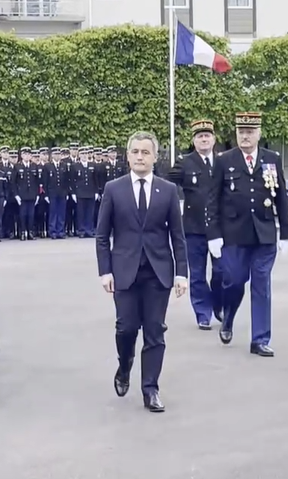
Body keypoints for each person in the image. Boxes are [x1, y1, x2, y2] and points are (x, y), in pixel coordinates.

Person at [95, 131, 188, 413]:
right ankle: (125, 366)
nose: (139, 157)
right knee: (126, 328)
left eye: (145, 152)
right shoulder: (114, 188)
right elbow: (102, 235)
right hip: (124, 272)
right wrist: (105, 271)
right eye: (135, 151)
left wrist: (181, 274)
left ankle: (151, 389)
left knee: (155, 332)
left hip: (158, 273)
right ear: (128, 156)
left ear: (155, 157)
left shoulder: (168, 190)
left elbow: (178, 236)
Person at [206, 112, 288, 357]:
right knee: (234, 281)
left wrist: (285, 233)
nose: (245, 136)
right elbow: (212, 200)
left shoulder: (271, 159)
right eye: (241, 132)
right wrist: (213, 234)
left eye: (250, 132)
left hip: (264, 234)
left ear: (258, 133)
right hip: (234, 235)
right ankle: (229, 318)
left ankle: (260, 339)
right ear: (236, 133)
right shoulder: (224, 160)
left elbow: (281, 198)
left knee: (261, 284)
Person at [167, 120, 224, 330]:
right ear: (194, 140)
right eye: (200, 136)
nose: (204, 139)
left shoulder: (222, 162)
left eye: (207, 136)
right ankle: (202, 313)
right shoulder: (185, 162)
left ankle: (219, 305)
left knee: (222, 272)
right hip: (193, 228)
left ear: (213, 139)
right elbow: (167, 183)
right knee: (197, 274)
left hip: (219, 229)